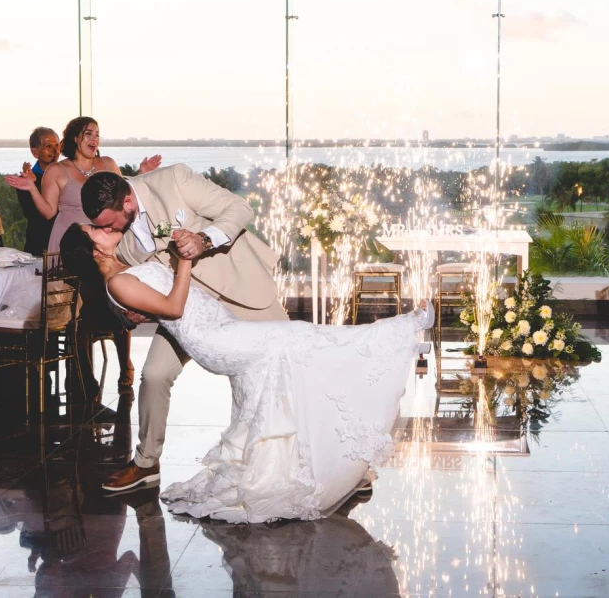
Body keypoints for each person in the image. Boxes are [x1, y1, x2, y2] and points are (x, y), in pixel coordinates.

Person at [60, 222, 433, 523]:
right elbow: (173, 309)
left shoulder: (122, 273)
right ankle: (395, 333)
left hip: (220, 328)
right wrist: (183, 259)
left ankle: (306, 462)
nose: (100, 226)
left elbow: (149, 304)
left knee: (289, 369)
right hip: (216, 340)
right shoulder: (118, 281)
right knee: (303, 338)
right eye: (93, 229)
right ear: (95, 250)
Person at [79, 166, 287, 492]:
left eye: (108, 222)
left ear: (128, 204)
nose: (103, 229)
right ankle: (146, 463)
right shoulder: (115, 237)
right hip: (185, 311)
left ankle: (336, 461)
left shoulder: (173, 180)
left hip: (240, 288)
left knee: (289, 364)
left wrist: (204, 239)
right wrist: (126, 314)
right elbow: (121, 284)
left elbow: (239, 208)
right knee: (155, 374)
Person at [4, 117, 161, 399]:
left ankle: (125, 364)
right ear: (76, 137)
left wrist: (141, 174)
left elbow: (126, 197)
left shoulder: (108, 165)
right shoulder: (57, 170)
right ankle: (82, 375)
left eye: (98, 134)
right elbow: (49, 212)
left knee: (118, 302)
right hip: (72, 249)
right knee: (80, 313)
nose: (95, 139)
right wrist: (31, 189)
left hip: (105, 246)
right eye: (89, 134)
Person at [15, 127, 60, 256]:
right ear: (35, 152)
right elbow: (33, 214)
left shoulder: (65, 174)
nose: (55, 151)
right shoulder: (25, 181)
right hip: (39, 243)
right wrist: (33, 184)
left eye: (57, 145)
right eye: (48, 146)